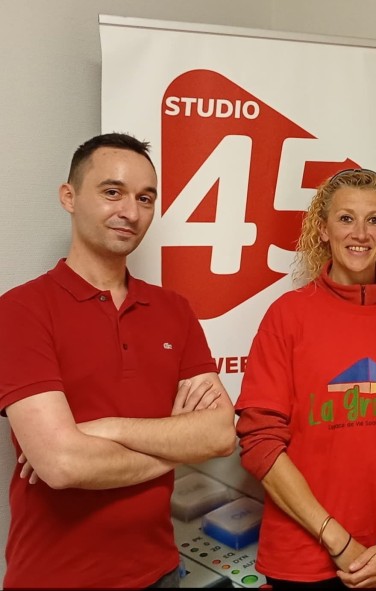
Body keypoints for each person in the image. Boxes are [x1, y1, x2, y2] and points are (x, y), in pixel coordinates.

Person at [0, 133, 237, 588]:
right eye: (113, 192)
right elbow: (63, 465)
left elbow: (221, 433)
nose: (130, 211)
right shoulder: (21, 310)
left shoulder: (174, 311)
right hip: (54, 579)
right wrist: (178, 443)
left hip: (160, 572)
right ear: (69, 197)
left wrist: (102, 429)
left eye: (145, 198)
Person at [234, 168, 376, 589]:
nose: (360, 233)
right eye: (346, 218)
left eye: (374, 220)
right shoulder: (287, 317)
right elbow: (260, 444)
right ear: (322, 229)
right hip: (304, 560)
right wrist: (336, 538)